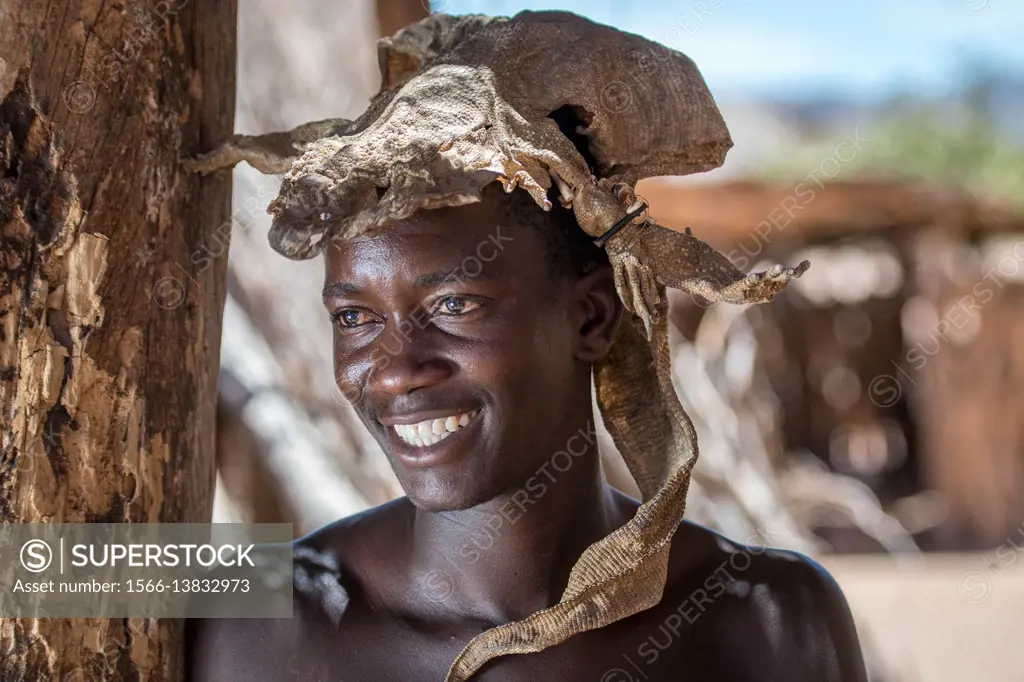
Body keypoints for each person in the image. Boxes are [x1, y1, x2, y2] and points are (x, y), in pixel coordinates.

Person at [186, 10, 867, 682]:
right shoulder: (258, 614)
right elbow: (83, 557)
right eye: (355, 318)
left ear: (592, 317)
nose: (396, 373)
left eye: (455, 305)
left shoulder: (766, 619)